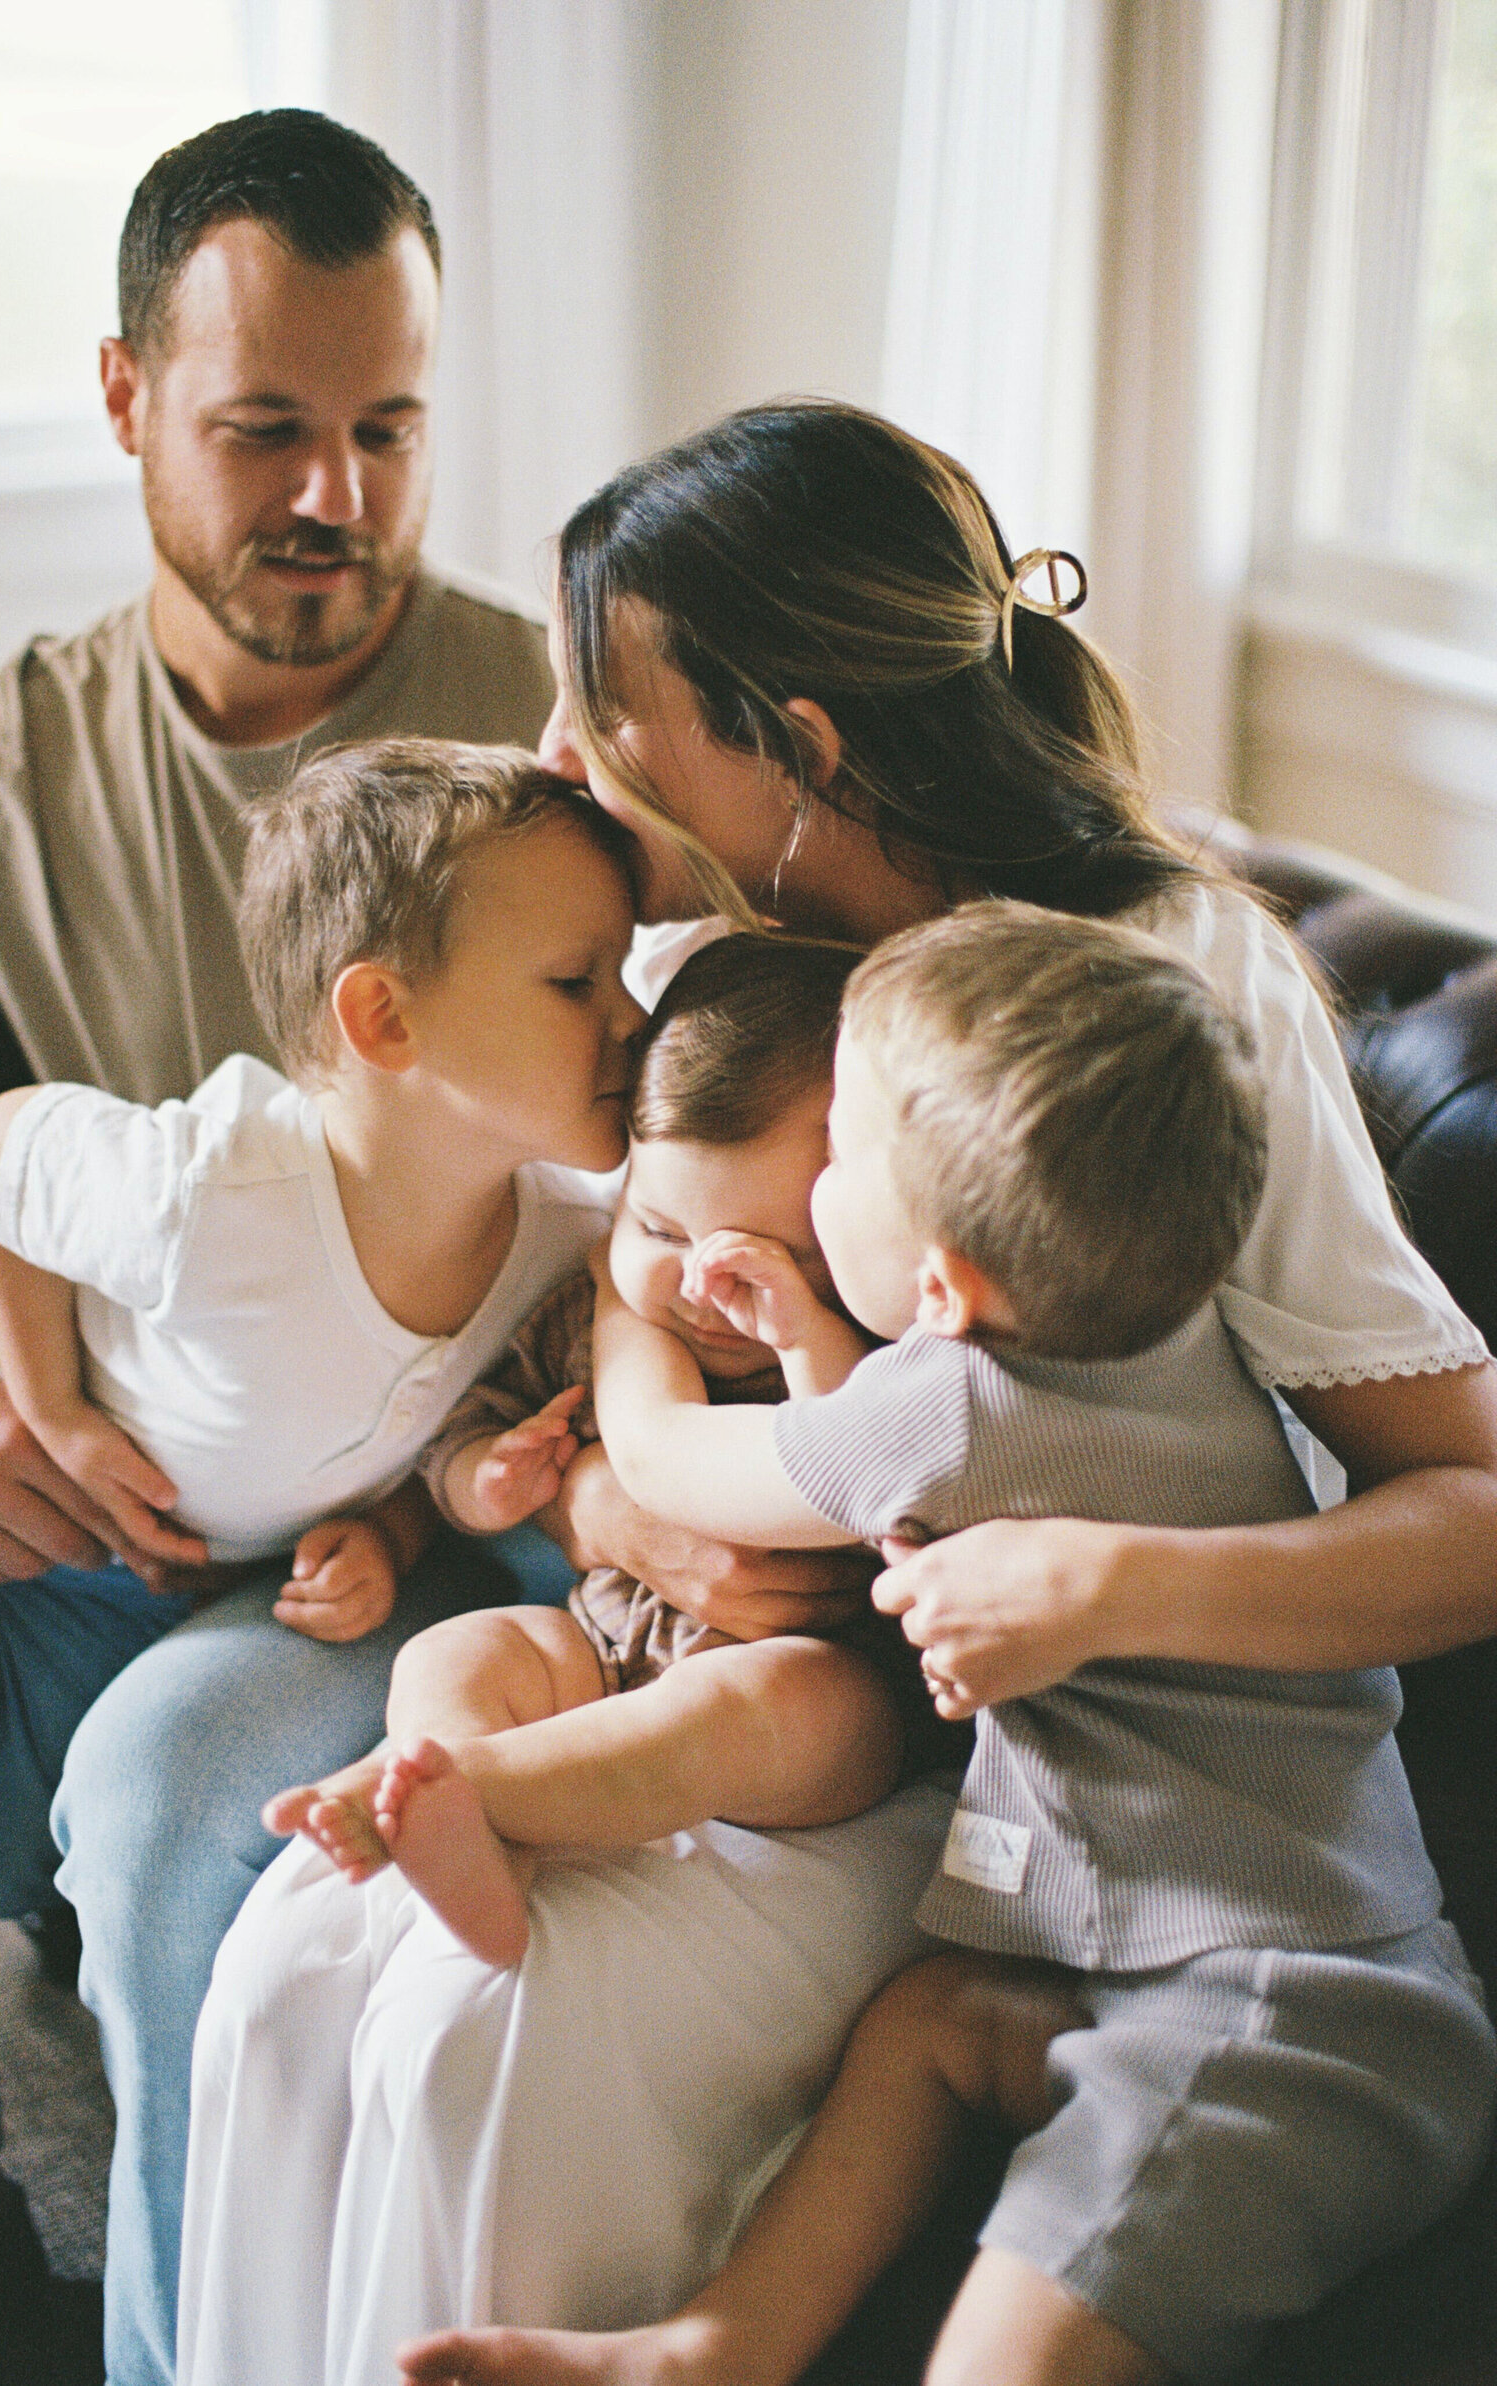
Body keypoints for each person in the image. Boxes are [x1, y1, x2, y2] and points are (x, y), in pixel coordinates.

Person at [178, 400, 1497, 2386]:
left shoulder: (1141, 997)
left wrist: (1100, 1585)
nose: (565, 757)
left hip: (1006, 1768)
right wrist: (615, 1502)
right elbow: (623, 1300)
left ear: (790, 740)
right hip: (717, 1646)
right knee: (287, 1960)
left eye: (608, 709)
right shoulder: (717, 946)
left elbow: (1461, 1508)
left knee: (479, 2030)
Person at [408, 901, 1491, 2386]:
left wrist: (624, 1274)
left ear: (940, 1290)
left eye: (841, 1151)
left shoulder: (945, 1409)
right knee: (928, 2028)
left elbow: (663, 1464)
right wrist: (790, 1320)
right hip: (1249, 1965)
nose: (822, 1172)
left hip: (1275, 2027)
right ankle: (708, 2348)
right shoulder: (1175, 1336)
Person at [0, 105, 563, 2386]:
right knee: (60, 1730)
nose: (336, 501)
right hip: (192, 1512)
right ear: (121, 399)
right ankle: (34, 2279)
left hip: (484, 1504)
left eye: (387, 429)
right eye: (265, 427)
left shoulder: (538, 738)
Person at [260, 932, 926, 1969]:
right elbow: (463, 1439)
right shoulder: (589, 1321)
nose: (703, 1286)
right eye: (660, 1231)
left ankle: (472, 1788)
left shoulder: (877, 1345)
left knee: (748, 1705)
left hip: (824, 1683)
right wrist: (486, 1480)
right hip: (603, 1649)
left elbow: (870, 1468)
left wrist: (803, 1333)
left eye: (772, 1256)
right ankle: (467, 1822)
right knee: (459, 1653)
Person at [0, 739, 638, 1656]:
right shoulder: (212, 1199)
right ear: (385, 1020)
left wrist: (387, 1535)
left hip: (176, 1579)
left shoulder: (570, 1232)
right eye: (575, 981)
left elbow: (426, 1424)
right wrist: (52, 1413)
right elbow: (3, 1146)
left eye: (627, 974)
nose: (633, 1018)